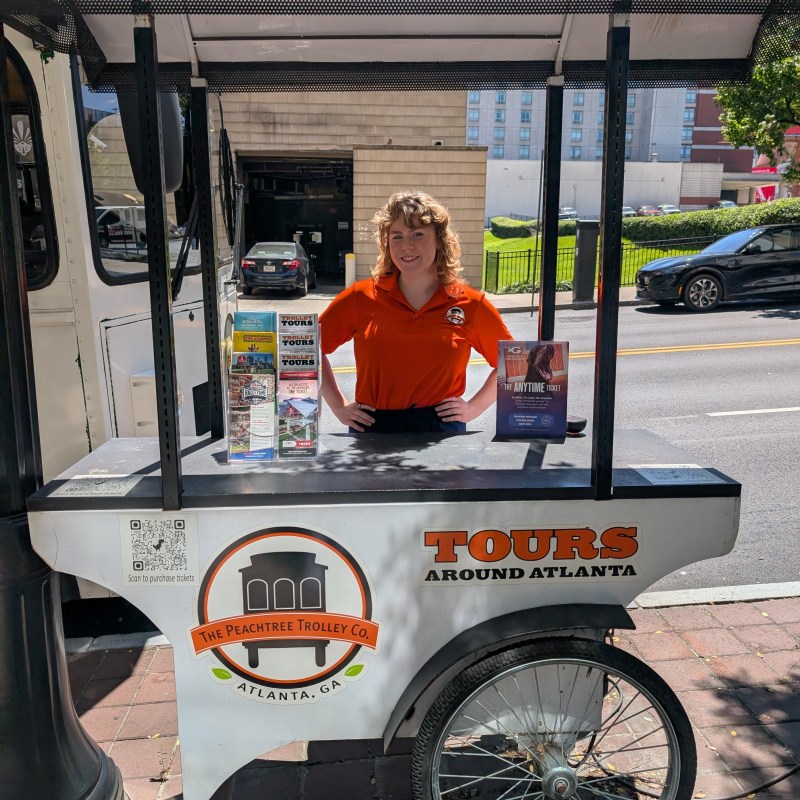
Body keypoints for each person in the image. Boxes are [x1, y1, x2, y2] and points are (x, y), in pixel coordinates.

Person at [320, 190, 512, 433]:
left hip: (441, 430)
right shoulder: (361, 298)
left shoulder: (471, 304)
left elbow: (514, 362)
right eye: (396, 237)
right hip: (373, 429)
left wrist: (474, 408)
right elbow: (307, 348)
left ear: (439, 240)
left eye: (417, 234)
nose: (406, 246)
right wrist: (339, 407)